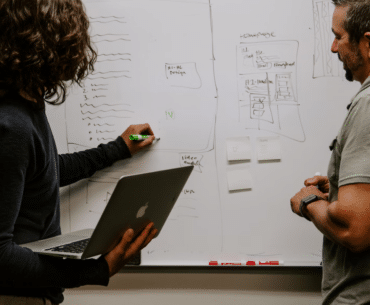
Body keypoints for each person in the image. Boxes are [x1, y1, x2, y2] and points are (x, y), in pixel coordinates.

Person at [0, 0, 158, 304]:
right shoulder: (12, 123)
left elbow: (44, 172)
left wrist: (119, 148)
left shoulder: (27, 103)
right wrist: (98, 270)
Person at [290, 0, 370, 304]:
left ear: (367, 42)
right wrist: (338, 192)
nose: (334, 48)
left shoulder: (367, 105)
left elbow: (355, 230)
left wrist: (308, 202)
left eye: (339, 36)